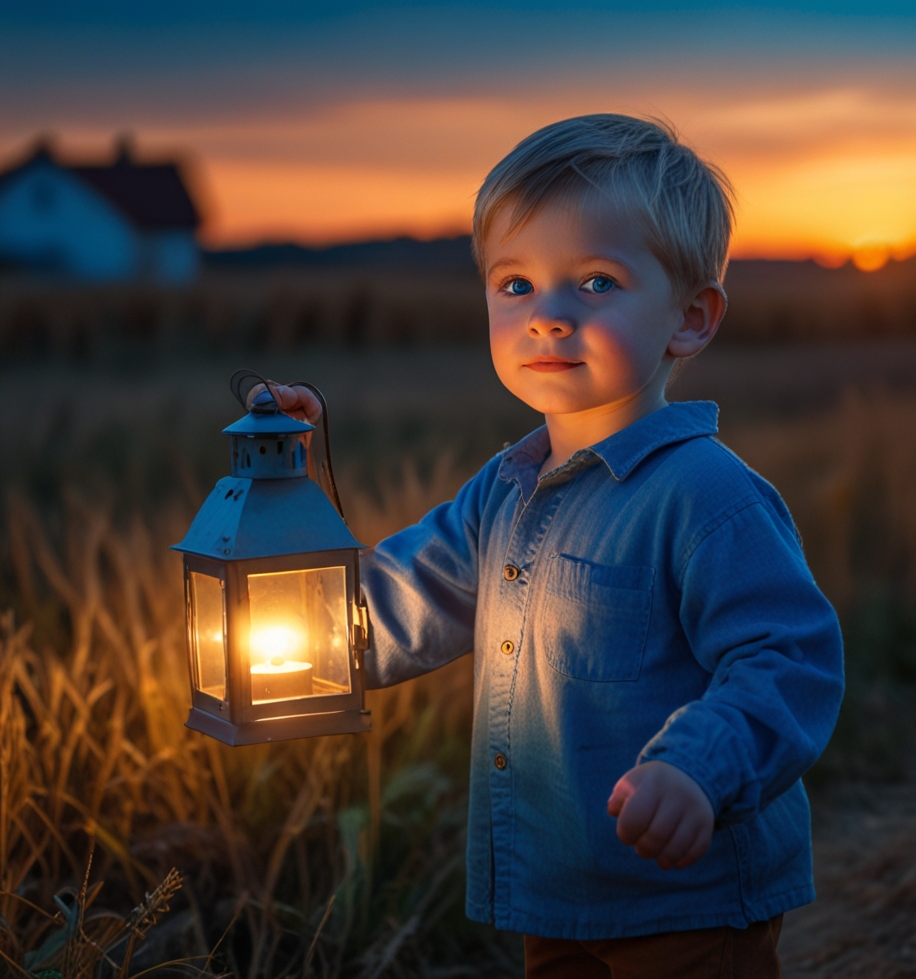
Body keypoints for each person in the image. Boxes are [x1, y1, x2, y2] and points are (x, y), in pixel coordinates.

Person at [267, 114, 844, 978]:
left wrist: (698, 768)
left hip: (683, 900)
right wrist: (288, 506)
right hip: (550, 890)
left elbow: (788, 660)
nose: (548, 318)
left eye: (597, 282)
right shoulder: (500, 494)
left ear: (690, 319)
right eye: (516, 286)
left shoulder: (707, 497)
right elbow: (391, 605)